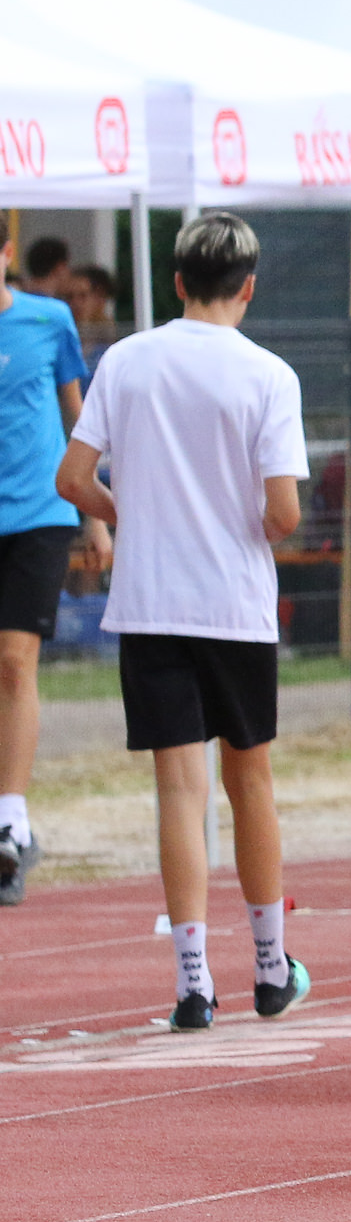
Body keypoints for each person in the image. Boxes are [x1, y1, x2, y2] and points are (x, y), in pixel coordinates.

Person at [53, 214, 311, 1026]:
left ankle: (193, 983)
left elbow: (72, 478)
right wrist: (241, 522)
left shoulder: (127, 360)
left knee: (177, 788)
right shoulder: (268, 374)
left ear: (175, 282)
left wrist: (129, 510)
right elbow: (283, 513)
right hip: (234, 604)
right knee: (250, 781)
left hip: (152, 601)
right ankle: (270, 966)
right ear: (249, 286)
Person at [0, 232, 110, 906]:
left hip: (38, 513)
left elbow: (79, 419)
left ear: (6, 253)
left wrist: (95, 515)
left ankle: (12, 821)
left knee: (15, 661)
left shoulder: (48, 320)